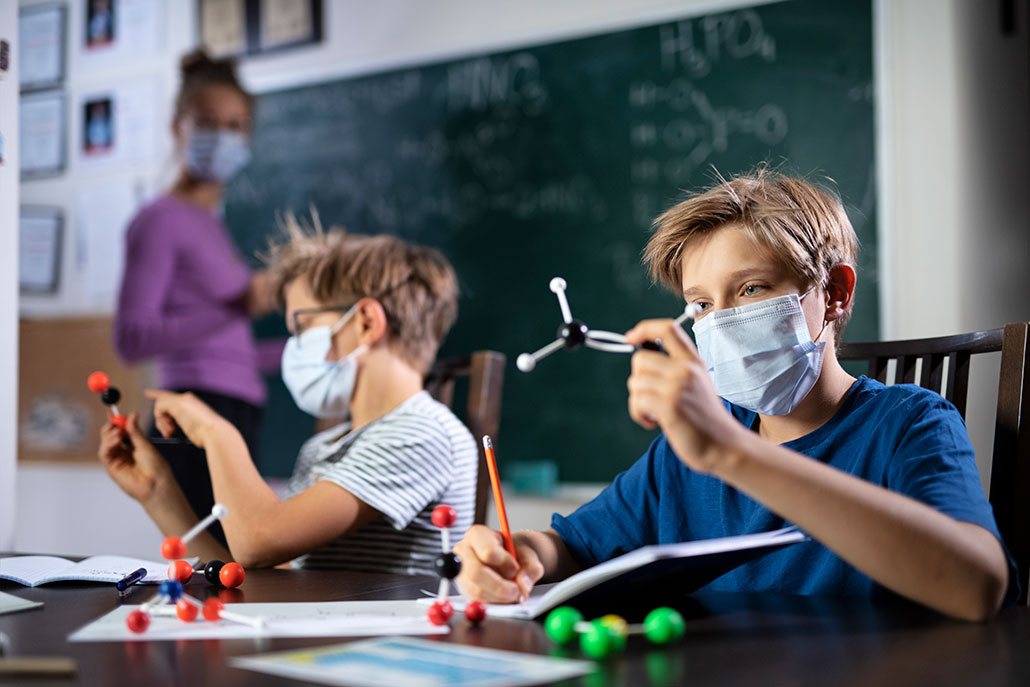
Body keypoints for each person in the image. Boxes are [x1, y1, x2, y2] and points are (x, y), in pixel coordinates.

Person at [454, 169, 1015, 621]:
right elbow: (573, 545)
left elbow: (978, 587)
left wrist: (730, 452)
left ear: (835, 294)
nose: (719, 323)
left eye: (750, 289)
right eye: (700, 304)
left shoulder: (909, 424)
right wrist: (519, 555)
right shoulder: (689, 448)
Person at [99, 223, 479, 575]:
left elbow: (259, 542)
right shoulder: (324, 447)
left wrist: (216, 432)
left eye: (303, 326)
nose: (293, 346)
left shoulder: (422, 433)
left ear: (365, 323)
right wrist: (159, 492)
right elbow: (254, 571)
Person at [114, 50, 276, 547]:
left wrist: (314, 347)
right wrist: (237, 306)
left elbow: (229, 354)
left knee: (231, 565)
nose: (223, 137)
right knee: (217, 566)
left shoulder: (211, 226)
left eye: (235, 125)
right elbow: (132, 338)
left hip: (235, 412)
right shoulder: (161, 220)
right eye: (208, 123)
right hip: (195, 415)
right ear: (177, 126)